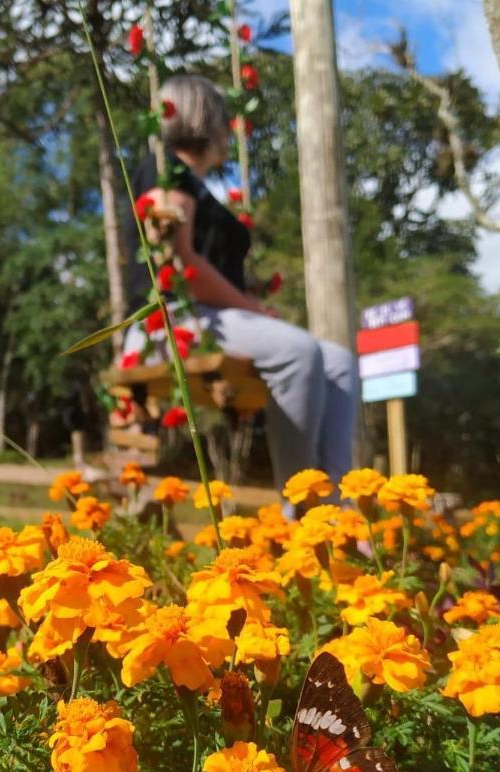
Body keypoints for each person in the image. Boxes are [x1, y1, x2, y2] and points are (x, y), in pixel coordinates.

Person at [122, 73, 359, 501]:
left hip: (213, 317)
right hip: (171, 322)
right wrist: (253, 310)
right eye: (223, 119)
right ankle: (301, 503)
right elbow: (182, 264)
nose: (229, 129)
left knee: (339, 361)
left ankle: (336, 502)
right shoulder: (166, 173)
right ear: (207, 120)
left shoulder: (194, 185)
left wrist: (247, 300)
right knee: (297, 351)